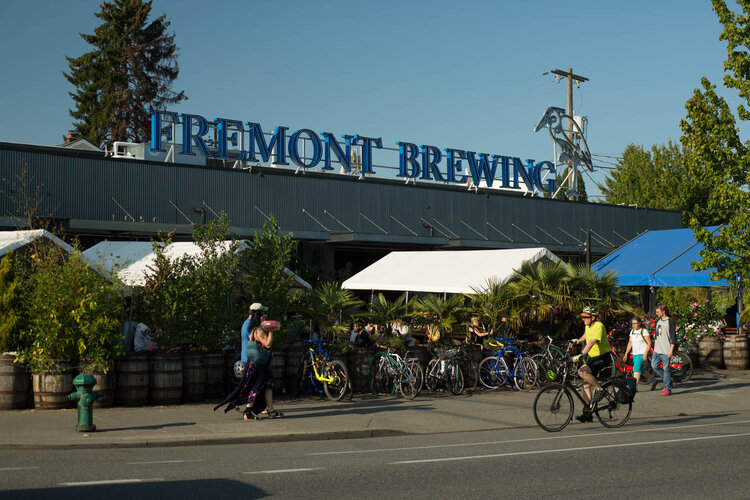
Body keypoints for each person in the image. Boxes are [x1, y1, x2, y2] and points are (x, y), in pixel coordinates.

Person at [214, 325, 283, 419]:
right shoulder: (259, 331)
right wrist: (271, 331)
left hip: (256, 364)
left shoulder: (253, 330)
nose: (265, 317)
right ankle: (248, 411)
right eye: (263, 315)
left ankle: (271, 411)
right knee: (256, 386)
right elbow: (267, 344)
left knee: (268, 384)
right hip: (259, 365)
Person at [571, 306, 610, 423]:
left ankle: (600, 389)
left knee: (582, 371)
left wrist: (581, 354)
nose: (583, 319)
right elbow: (586, 336)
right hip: (593, 358)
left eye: (585, 317)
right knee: (586, 385)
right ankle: (587, 413)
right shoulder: (588, 325)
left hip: (602, 357)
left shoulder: (599, 326)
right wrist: (577, 341)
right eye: (583, 316)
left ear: (593, 317)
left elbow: (592, 341)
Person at [651, 303, 676, 395]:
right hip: (657, 349)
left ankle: (667, 388)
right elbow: (657, 335)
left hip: (666, 350)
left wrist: (671, 350)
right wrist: (655, 348)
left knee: (666, 369)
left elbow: (673, 337)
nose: (656, 313)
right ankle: (668, 381)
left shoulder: (670, 321)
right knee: (654, 366)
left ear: (663, 312)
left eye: (658, 312)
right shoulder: (658, 321)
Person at [623, 317, 652, 386]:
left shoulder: (644, 331)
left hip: (642, 352)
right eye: (632, 323)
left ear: (639, 323)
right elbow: (630, 343)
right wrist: (626, 354)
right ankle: (653, 380)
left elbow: (649, 343)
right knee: (641, 370)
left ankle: (634, 386)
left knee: (636, 369)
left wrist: (645, 354)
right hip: (634, 352)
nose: (633, 325)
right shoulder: (632, 331)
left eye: (635, 323)